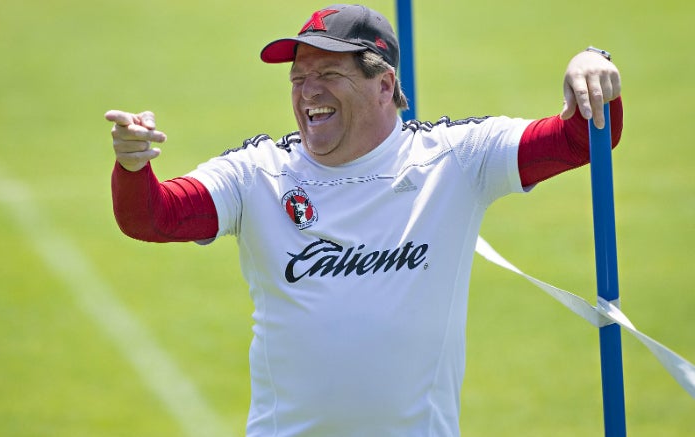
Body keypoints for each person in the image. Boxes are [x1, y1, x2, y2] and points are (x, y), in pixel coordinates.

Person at [105, 4, 622, 436]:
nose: (308, 92)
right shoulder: (257, 173)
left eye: (329, 75)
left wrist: (593, 66)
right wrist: (132, 166)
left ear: (384, 85)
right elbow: (154, 217)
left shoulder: (456, 158)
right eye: (298, 79)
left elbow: (583, 139)